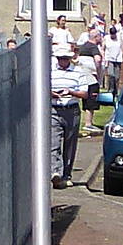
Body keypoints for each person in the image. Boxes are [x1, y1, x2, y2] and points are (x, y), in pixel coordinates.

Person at [49, 47, 96, 187]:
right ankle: (55, 172)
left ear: (69, 59)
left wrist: (71, 92)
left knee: (70, 144)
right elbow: (43, 86)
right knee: (53, 142)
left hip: (72, 110)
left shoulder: (78, 72)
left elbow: (85, 93)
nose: (62, 61)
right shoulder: (50, 71)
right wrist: (52, 93)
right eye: (59, 58)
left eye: (64, 58)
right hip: (54, 109)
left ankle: (66, 174)